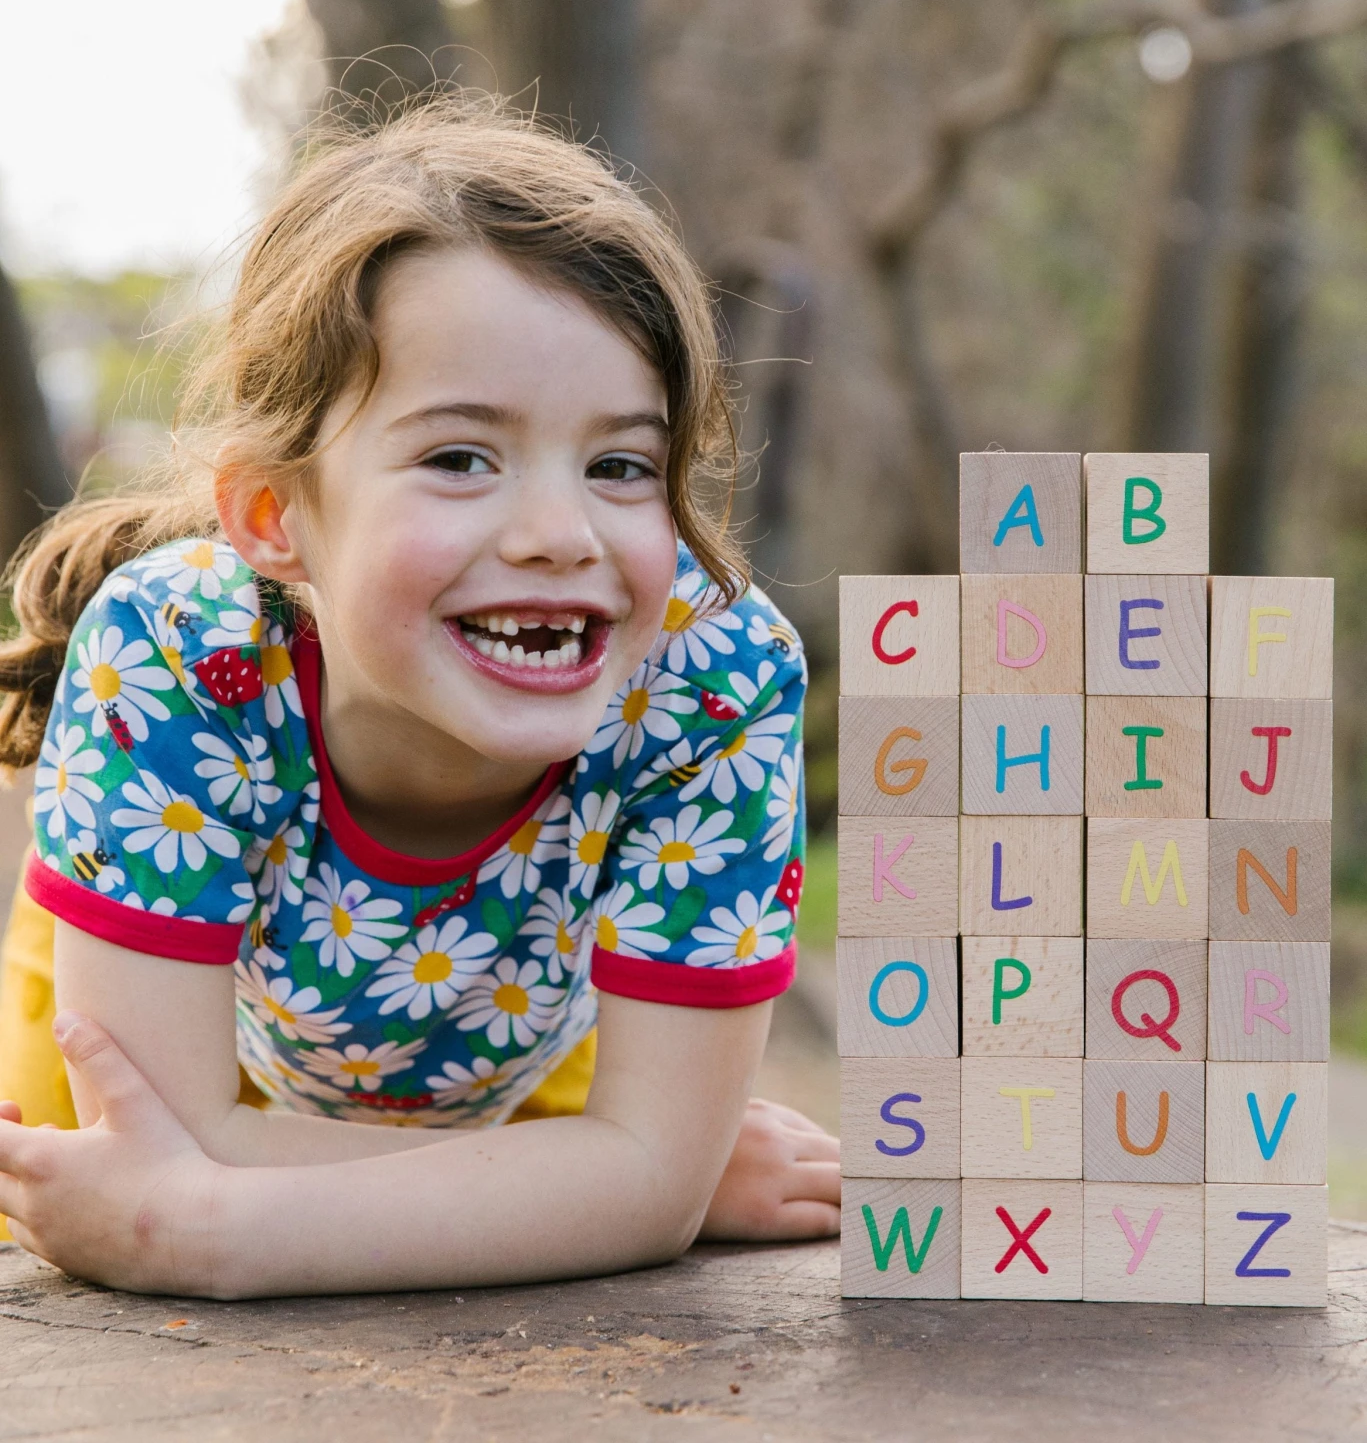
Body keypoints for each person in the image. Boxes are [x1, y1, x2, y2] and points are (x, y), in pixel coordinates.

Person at [0, 99, 839, 1297]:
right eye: (460, 457)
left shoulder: (712, 684)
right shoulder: (173, 653)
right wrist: (591, 1185)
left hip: (519, 1036)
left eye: (620, 465)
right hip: (165, 996)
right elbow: (158, 1148)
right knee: (58, 1202)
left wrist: (216, 1234)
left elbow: (647, 1185)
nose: (560, 533)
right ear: (274, 518)